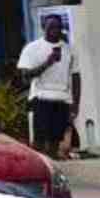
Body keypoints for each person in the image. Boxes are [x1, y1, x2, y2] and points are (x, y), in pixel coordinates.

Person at [17, 15, 81, 159]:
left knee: (56, 140)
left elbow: (76, 77)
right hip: (41, 98)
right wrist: (48, 62)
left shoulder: (69, 49)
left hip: (62, 99)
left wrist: (76, 104)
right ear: (43, 27)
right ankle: (40, 167)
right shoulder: (32, 48)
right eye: (51, 26)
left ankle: (54, 169)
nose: (55, 30)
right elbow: (25, 76)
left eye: (58, 27)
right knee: (40, 140)